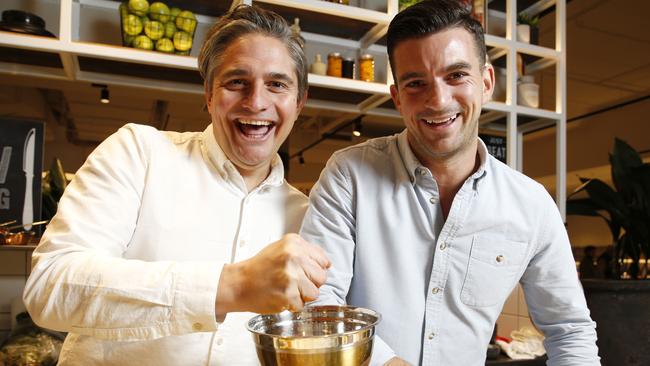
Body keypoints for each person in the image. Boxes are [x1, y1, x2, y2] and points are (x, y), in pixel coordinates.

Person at [22, 5, 330, 365]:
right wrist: (230, 286)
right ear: (210, 95)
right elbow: (50, 286)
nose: (256, 102)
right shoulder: (139, 153)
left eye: (277, 84)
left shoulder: (309, 218)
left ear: (299, 103)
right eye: (236, 82)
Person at [300, 1, 599, 365]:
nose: (438, 100)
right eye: (415, 83)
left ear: (486, 83)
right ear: (397, 99)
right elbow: (317, 302)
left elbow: (570, 330)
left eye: (456, 76)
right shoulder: (350, 174)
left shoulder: (532, 204)